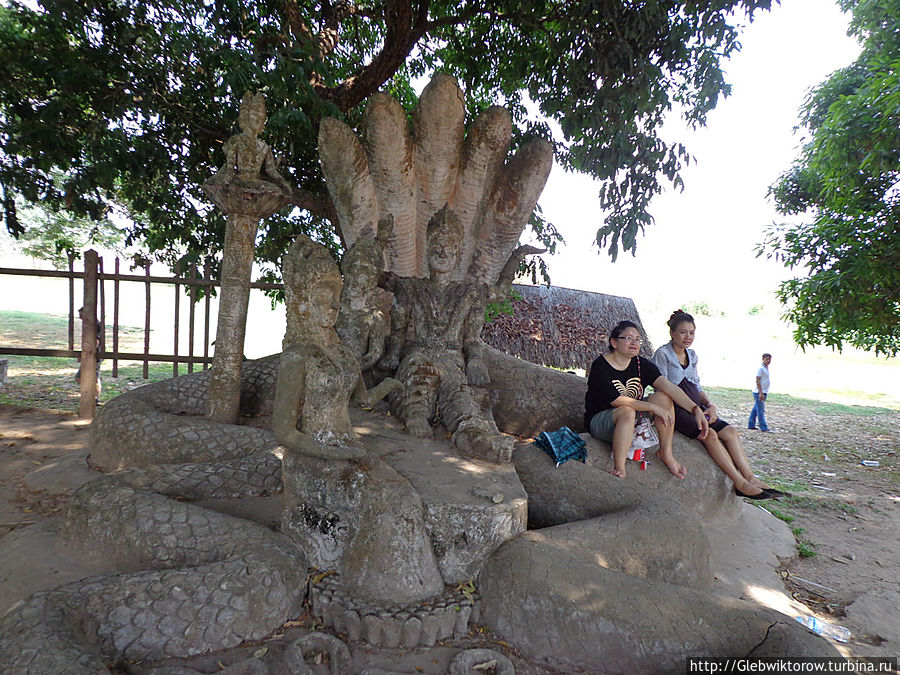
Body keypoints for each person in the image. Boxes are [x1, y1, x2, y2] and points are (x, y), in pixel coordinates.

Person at [652, 310, 779, 499]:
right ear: (672, 333)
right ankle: (739, 482)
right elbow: (663, 387)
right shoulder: (663, 354)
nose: (688, 337)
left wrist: (709, 405)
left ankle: (751, 477)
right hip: (677, 409)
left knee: (730, 432)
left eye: (692, 332)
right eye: (683, 332)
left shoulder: (692, 355)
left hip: (696, 407)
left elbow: (696, 385)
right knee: (709, 434)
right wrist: (694, 410)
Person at [584, 320, 709, 480]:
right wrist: (652, 407)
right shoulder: (601, 365)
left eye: (637, 339)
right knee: (627, 411)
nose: (634, 343)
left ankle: (666, 453)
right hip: (602, 422)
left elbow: (668, 387)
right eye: (628, 338)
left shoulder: (640, 364)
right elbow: (617, 400)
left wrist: (695, 409)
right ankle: (619, 468)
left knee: (663, 397)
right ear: (614, 342)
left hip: (632, 419)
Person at [749, 353, 772, 432]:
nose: (768, 361)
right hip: (759, 392)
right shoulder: (760, 368)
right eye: (766, 359)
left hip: (764, 391)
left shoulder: (766, 368)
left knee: (756, 409)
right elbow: (758, 380)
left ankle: (751, 424)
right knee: (760, 410)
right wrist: (760, 392)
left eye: (769, 359)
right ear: (763, 359)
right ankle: (763, 427)